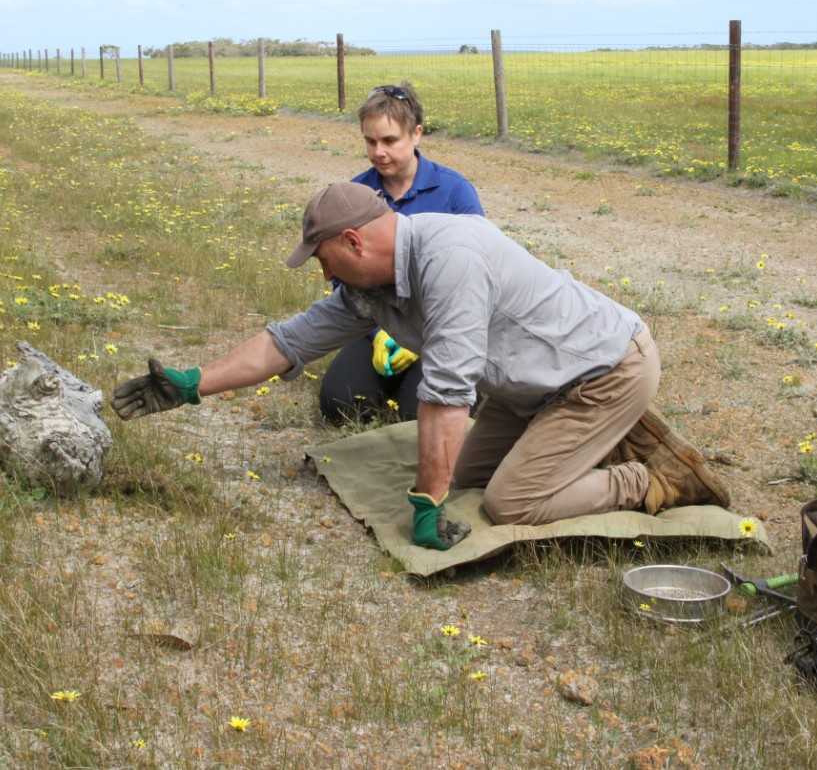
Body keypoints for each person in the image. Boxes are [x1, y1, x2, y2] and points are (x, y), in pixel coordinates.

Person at [112, 181, 730, 552]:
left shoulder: (450, 257)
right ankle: (588, 449)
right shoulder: (369, 286)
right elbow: (289, 341)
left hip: (603, 372)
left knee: (511, 504)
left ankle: (654, 477)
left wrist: (426, 508)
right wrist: (193, 385)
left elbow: (447, 393)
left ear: (355, 243)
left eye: (325, 260)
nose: (324, 274)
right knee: (458, 471)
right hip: (531, 388)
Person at [319, 82, 484, 425]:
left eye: (389, 140)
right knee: (339, 404)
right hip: (377, 325)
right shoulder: (356, 193)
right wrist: (377, 332)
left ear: (416, 134)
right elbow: (343, 281)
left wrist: (418, 340)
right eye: (370, 141)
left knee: (420, 415)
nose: (378, 151)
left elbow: (477, 275)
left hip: (441, 332)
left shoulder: (455, 191)